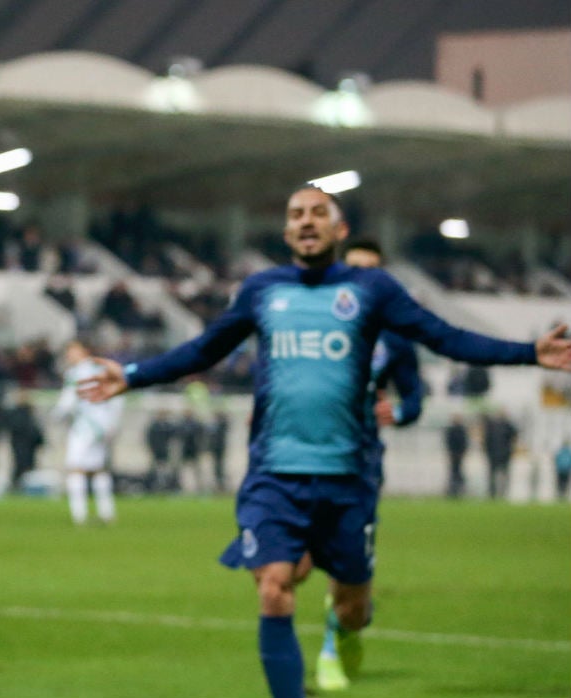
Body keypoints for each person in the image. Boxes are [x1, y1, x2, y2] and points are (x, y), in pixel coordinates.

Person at [78, 184, 571, 698]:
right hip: (275, 473)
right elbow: (205, 349)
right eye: (296, 214)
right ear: (287, 230)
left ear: (340, 229)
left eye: (318, 213)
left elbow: (444, 337)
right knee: (274, 588)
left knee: (351, 607)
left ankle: (350, 629)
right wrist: (132, 375)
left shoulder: (372, 289)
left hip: (348, 478)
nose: (306, 221)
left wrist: (528, 352)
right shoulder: (262, 290)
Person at [305, 237, 425, 691]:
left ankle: (337, 639)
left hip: (360, 464)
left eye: (371, 269)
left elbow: (413, 393)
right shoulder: (308, 320)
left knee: (347, 576)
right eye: (354, 266)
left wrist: (399, 411)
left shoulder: (392, 334)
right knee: (290, 564)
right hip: (303, 455)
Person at [52, 340, 124, 525]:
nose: (69, 356)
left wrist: (56, 416)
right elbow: (118, 397)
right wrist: (113, 424)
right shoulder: (102, 369)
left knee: (75, 468)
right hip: (105, 426)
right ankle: (107, 513)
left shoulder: (76, 372)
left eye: (72, 352)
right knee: (98, 469)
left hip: (85, 425)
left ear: (83, 351)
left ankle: (79, 515)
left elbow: (68, 402)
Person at [482, 408, 517, 499]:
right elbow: (486, 440)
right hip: (493, 454)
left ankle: (503, 493)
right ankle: (492, 493)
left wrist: (510, 450)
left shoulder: (508, 425)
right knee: (492, 475)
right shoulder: (492, 426)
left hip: (504, 454)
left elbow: (514, 437)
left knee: (504, 474)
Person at [144, 409, 178, 492]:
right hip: (156, 451)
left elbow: (174, 434)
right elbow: (149, 438)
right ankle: (152, 485)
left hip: (165, 451)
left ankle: (165, 484)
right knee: (154, 468)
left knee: (165, 468)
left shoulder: (167, 426)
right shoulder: (154, 426)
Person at [175, 409, 208, 493]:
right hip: (184, 450)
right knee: (181, 470)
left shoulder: (196, 424)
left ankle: (199, 486)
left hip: (194, 450)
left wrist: (201, 448)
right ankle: (179, 485)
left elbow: (202, 436)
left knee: (197, 470)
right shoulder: (181, 424)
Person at [444, 414, 470, 498]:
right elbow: (448, 442)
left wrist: (462, 452)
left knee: (458, 473)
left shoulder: (462, 430)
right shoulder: (451, 430)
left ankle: (460, 490)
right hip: (453, 454)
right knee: (453, 473)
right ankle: (453, 491)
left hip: (459, 455)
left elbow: (465, 443)